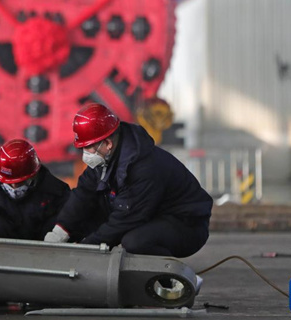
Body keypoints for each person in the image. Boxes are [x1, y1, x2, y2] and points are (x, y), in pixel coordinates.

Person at [45, 102, 213, 258]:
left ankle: (164, 276)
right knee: (84, 219)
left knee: (135, 242)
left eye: (88, 147)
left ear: (108, 143)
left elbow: (126, 218)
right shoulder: (105, 159)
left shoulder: (143, 167)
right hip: (152, 215)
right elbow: (83, 194)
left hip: (186, 224)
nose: (85, 154)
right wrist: (61, 229)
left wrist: (87, 248)